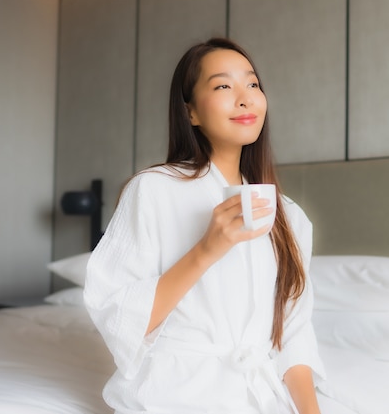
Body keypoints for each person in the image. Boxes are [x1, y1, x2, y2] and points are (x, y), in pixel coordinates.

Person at [83, 37, 325, 414]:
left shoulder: (288, 216)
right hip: (173, 396)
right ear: (191, 112)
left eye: (253, 84)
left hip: (259, 399)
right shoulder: (154, 189)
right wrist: (207, 250)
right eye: (223, 86)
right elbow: (120, 316)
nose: (245, 98)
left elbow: (293, 333)